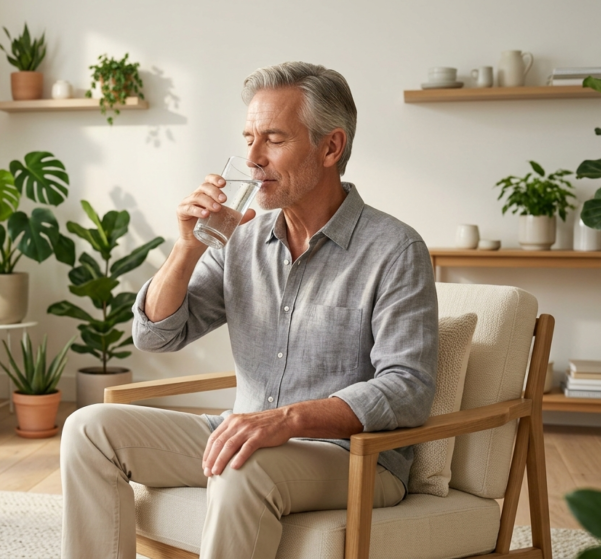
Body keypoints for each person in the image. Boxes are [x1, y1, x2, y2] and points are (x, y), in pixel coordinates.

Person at [61, 61, 438, 559]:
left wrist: (285, 420)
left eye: (274, 139)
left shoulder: (394, 249)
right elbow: (156, 335)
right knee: (88, 429)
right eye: (248, 139)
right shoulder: (242, 239)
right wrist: (188, 247)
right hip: (245, 433)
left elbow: (407, 388)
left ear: (331, 146)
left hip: (351, 458)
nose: (253, 158)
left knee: (245, 462)